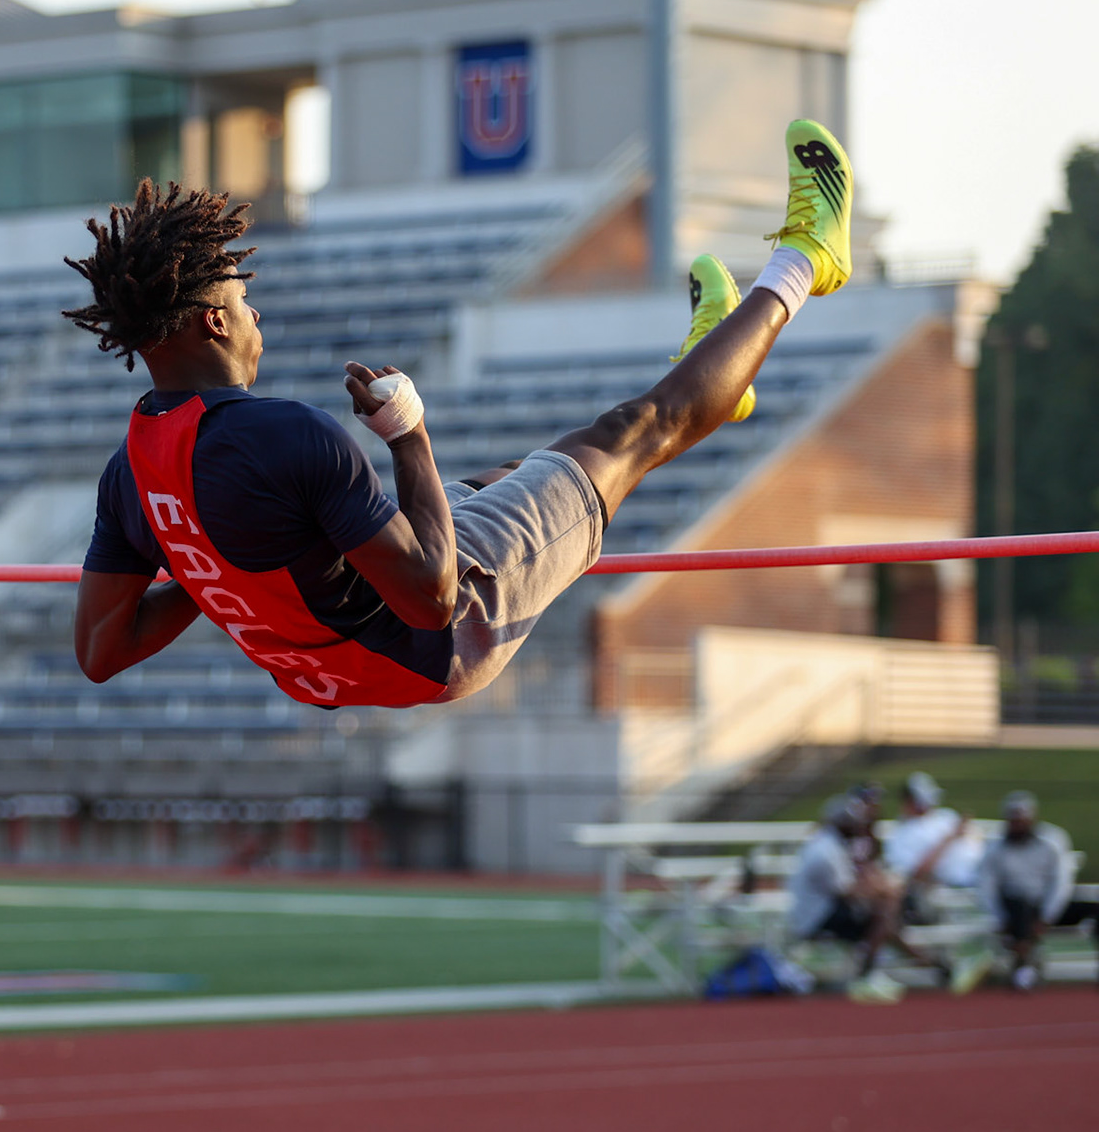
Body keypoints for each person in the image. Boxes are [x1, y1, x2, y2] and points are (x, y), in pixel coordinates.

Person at [70, 121, 856, 707]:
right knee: (634, 434)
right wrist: (409, 433)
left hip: (333, 671)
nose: (255, 318)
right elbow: (431, 595)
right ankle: (806, 260)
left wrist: (210, 573)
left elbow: (102, 651)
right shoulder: (286, 435)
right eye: (243, 304)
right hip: (437, 639)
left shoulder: (130, 471)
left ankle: (717, 375)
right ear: (213, 322)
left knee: (542, 467)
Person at [787, 793, 951, 1003]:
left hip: (823, 910)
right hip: (816, 917)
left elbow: (859, 880)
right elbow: (848, 891)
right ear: (840, 823)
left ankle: (931, 965)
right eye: (852, 822)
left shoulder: (832, 844)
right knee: (883, 918)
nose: (857, 827)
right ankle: (872, 973)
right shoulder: (826, 850)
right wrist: (888, 891)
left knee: (886, 919)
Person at [979, 791, 1075, 991]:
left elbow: (1061, 883)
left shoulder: (1052, 841)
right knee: (1020, 906)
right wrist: (1000, 918)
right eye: (1013, 819)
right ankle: (1024, 965)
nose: (1017, 824)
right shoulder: (996, 848)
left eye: (1021, 818)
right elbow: (987, 887)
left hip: (1048, 904)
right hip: (1014, 907)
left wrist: (1047, 917)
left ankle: (1025, 963)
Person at [882, 772, 984, 916]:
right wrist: (950, 837)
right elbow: (917, 873)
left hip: (981, 871)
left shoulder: (945, 815)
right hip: (958, 884)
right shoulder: (901, 835)